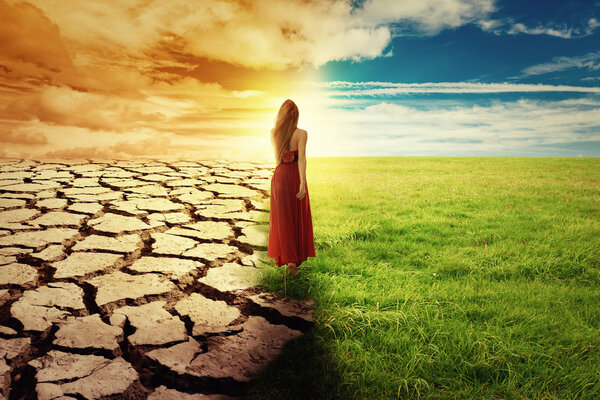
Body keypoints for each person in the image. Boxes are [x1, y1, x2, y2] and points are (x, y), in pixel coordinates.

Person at [267, 99, 316, 282]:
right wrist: (302, 182)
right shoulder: (302, 134)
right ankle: (294, 259)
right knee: (297, 216)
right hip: (295, 176)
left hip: (279, 176)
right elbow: (302, 159)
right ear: (296, 116)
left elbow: (276, 158)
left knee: (283, 219)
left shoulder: (274, 133)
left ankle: (288, 258)